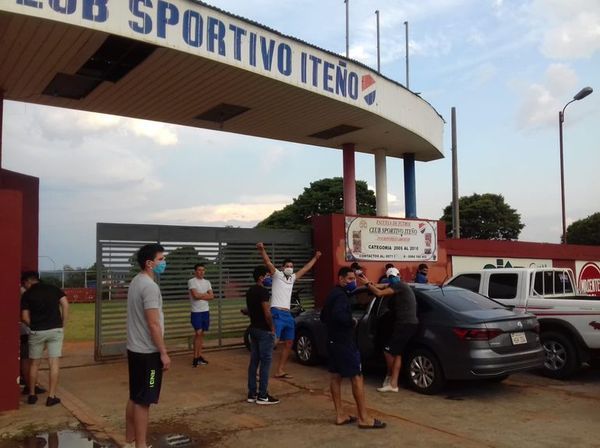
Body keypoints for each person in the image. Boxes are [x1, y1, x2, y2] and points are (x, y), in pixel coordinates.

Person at [320, 267, 386, 429]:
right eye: (349, 279)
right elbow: (338, 316)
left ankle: (340, 414)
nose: (352, 282)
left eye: (353, 279)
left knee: (335, 377)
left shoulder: (333, 294)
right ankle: (364, 418)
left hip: (333, 341)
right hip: (344, 342)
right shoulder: (341, 297)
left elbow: (323, 316)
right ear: (341, 279)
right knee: (357, 377)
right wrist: (352, 322)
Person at [124, 243, 171, 448]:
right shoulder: (150, 287)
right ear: (149, 263)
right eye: (161, 259)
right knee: (144, 400)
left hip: (135, 350)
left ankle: (129, 439)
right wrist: (163, 352)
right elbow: (153, 323)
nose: (164, 263)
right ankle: (141, 444)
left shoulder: (136, 281)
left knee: (135, 396)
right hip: (148, 354)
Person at [256, 242, 321, 379]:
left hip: (287, 314)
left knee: (289, 342)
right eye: (287, 266)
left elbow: (306, 268)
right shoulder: (277, 275)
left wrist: (316, 258)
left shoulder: (292, 278)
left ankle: (280, 370)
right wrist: (262, 250)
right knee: (273, 342)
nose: (290, 268)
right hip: (277, 312)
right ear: (282, 267)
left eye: (291, 266)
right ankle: (258, 370)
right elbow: (267, 262)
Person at [358, 272, 418, 393]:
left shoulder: (399, 286)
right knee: (397, 353)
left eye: (393, 276)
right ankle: (393, 384)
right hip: (408, 324)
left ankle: (390, 376)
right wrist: (368, 282)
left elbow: (379, 293)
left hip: (405, 324)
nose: (392, 279)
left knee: (388, 351)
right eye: (390, 277)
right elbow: (380, 286)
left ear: (399, 276)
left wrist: (367, 284)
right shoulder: (400, 285)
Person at [20, 271, 68, 406]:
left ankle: (32, 395)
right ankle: (51, 397)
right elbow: (65, 304)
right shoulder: (54, 289)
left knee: (34, 363)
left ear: (28, 281)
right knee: (54, 363)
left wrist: (33, 324)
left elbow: (24, 317)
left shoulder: (27, 294)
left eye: (24, 283)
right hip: (55, 330)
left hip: (37, 331)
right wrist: (62, 324)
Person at [246, 266, 279, 405]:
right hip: (264, 331)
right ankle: (263, 395)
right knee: (265, 363)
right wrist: (272, 329)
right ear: (261, 277)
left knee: (254, 362)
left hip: (253, 329)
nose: (269, 278)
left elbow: (251, 310)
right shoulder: (263, 292)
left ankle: (252, 393)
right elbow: (266, 313)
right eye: (267, 275)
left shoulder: (250, 291)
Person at [19, 274, 46, 397]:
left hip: (24, 328)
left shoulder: (23, 292)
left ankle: (29, 385)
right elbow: (25, 315)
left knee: (27, 358)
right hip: (26, 328)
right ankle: (30, 386)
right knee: (28, 359)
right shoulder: (24, 293)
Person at [188, 263, 214, 367]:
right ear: (195, 271)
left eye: (203, 270)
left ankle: (199, 356)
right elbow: (195, 296)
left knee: (202, 334)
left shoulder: (207, 282)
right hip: (196, 312)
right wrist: (205, 295)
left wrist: (201, 295)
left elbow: (212, 296)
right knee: (198, 333)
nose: (201, 272)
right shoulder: (191, 281)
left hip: (205, 311)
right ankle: (195, 357)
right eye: (199, 270)